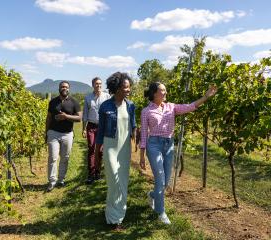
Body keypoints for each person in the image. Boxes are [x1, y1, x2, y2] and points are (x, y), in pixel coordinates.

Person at [139, 82, 217, 224]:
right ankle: (161, 212)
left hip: (168, 145)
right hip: (154, 145)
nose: (165, 93)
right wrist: (142, 156)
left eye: (165, 90)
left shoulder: (171, 107)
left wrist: (205, 97)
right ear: (154, 93)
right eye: (163, 90)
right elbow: (144, 134)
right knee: (160, 179)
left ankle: (151, 195)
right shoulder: (146, 111)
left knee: (166, 180)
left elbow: (190, 106)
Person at [95, 72, 136, 230]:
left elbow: (133, 125)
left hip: (124, 148)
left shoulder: (131, 105)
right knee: (115, 183)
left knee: (123, 182)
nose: (128, 89)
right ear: (117, 88)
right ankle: (113, 218)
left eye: (128, 86)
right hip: (111, 146)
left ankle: (116, 217)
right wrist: (97, 154)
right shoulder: (105, 106)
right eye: (125, 87)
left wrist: (138, 137)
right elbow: (100, 133)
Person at [45, 81, 82, 192]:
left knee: (65, 157)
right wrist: (46, 132)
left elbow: (79, 118)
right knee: (52, 157)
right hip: (53, 133)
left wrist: (66, 116)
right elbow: (49, 118)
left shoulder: (74, 102)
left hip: (67, 134)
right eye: (62, 87)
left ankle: (61, 180)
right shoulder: (52, 102)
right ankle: (52, 181)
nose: (64, 88)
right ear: (59, 88)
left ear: (69, 89)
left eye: (66, 87)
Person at [82, 77, 110, 184]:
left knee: (101, 150)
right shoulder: (88, 98)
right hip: (91, 126)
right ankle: (91, 174)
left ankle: (98, 172)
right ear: (93, 85)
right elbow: (85, 114)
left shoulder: (107, 96)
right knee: (91, 148)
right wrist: (83, 128)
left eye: (100, 84)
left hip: (103, 127)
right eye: (96, 84)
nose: (98, 85)